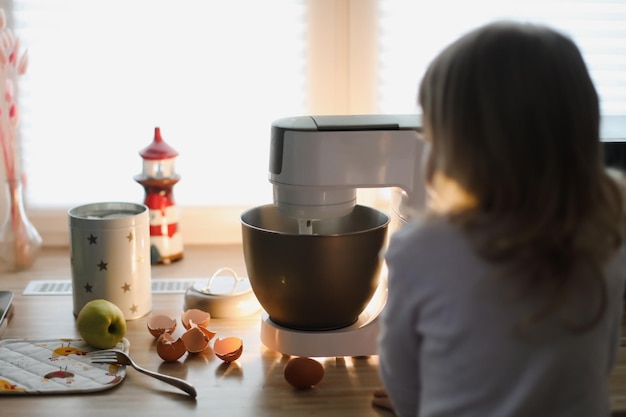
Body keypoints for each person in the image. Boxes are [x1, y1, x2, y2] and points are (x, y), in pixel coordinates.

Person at [374, 21, 626, 417]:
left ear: (465, 150)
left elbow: (402, 381)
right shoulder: (610, 227)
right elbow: (601, 358)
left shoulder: (421, 249)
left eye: (434, 136)